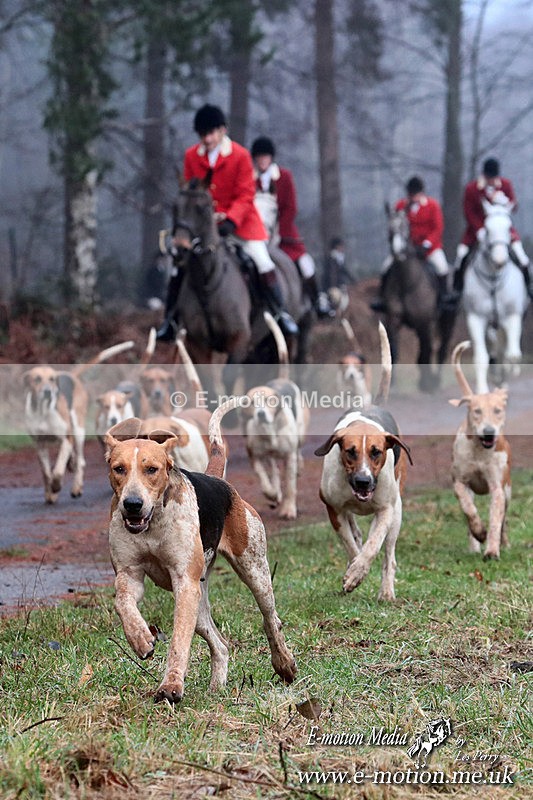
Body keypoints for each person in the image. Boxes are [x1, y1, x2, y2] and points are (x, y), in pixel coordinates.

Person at [156, 104, 298, 341]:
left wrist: (230, 220)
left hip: (240, 225)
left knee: (263, 261)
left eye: (211, 133)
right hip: (202, 226)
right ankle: (170, 320)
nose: (207, 138)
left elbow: (245, 195)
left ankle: (281, 313)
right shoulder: (192, 156)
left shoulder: (241, 155)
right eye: (203, 134)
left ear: (222, 131)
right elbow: (192, 192)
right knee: (179, 266)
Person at [250, 136, 334, 318]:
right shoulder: (249, 180)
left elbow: (291, 207)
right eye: (259, 157)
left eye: (265, 156)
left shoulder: (284, 177)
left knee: (306, 264)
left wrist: (279, 232)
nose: (262, 160)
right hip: (254, 234)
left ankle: (317, 300)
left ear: (271, 157)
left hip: (283, 235)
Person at [370, 176, 453, 312]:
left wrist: (427, 244)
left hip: (429, 248)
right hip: (406, 249)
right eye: (411, 195)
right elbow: (395, 227)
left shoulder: (432, 205)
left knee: (442, 267)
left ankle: (444, 298)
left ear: (421, 193)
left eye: (415, 195)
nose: (413, 198)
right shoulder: (401, 206)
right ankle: (382, 298)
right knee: (385, 267)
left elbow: (437, 228)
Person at [452, 157, 532, 297]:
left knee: (522, 258)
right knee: (460, 257)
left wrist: (504, 200)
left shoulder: (505, 185)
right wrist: (479, 229)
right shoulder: (472, 188)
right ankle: (457, 292)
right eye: (489, 177)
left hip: (503, 232)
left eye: (493, 177)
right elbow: (468, 211)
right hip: (477, 232)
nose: (491, 180)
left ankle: (528, 289)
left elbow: (514, 207)